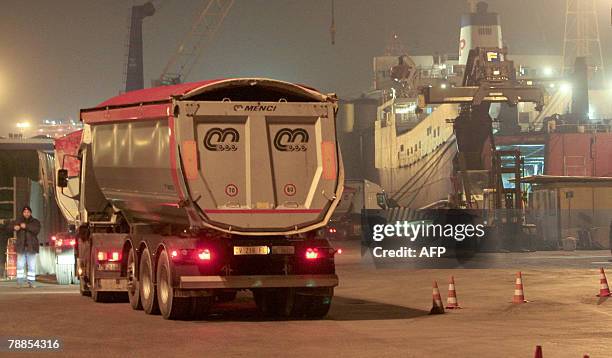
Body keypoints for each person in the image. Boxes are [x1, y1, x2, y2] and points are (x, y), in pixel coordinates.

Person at [13, 206, 41, 288]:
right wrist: (14, 227)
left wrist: (26, 226)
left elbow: (36, 230)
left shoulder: (35, 222)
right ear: (23, 213)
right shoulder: (18, 221)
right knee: (20, 266)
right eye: (25, 212)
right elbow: (9, 227)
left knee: (31, 266)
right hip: (21, 247)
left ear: (30, 213)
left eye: (28, 212)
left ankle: (31, 282)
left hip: (31, 248)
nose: (26, 213)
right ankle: (19, 282)